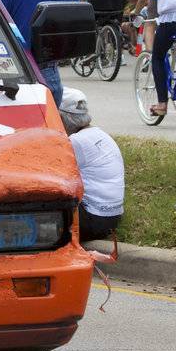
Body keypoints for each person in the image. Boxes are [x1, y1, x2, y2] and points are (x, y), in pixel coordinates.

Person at [58, 89, 124, 242]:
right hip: (113, 216)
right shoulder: (99, 134)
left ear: (62, 118)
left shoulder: (76, 142)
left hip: (93, 219)